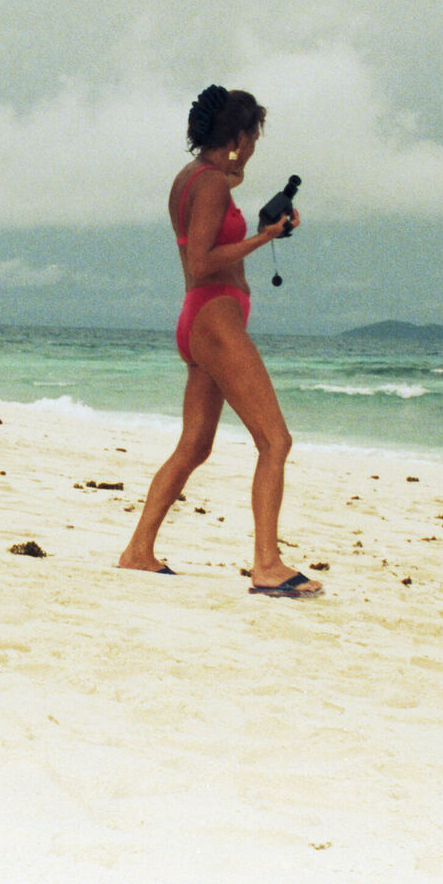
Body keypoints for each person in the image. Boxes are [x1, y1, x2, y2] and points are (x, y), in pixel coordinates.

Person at [118, 86, 318, 597]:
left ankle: (138, 551)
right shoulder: (208, 185)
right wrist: (266, 238)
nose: (255, 147)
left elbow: (211, 238)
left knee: (194, 445)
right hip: (215, 319)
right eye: (253, 137)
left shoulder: (195, 179)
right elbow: (202, 261)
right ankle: (268, 565)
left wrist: (258, 223)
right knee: (276, 440)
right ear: (237, 136)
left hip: (199, 320)